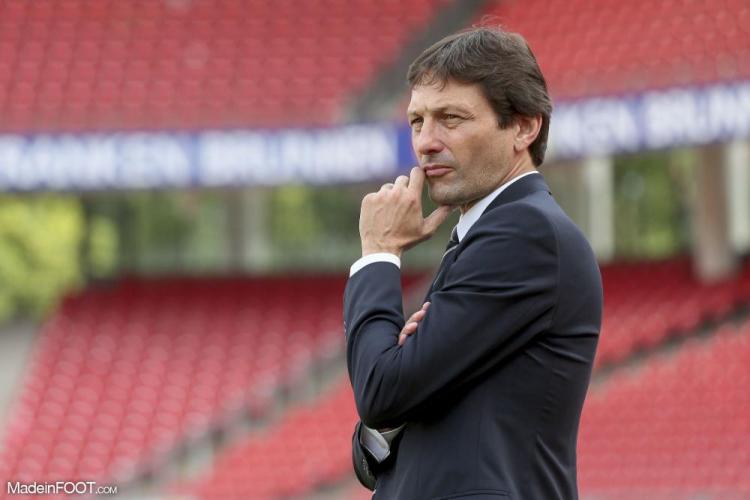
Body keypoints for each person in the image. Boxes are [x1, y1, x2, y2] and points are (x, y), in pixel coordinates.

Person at [344, 26, 603, 500]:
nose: (425, 142)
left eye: (451, 118)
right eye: (418, 121)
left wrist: (378, 250)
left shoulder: (525, 234)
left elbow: (381, 391)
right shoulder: (483, 237)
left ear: (524, 127)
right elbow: (394, 422)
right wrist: (388, 414)